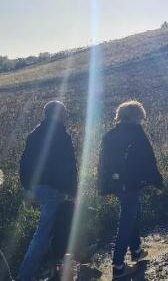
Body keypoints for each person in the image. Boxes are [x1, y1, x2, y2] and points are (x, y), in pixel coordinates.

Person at [98, 100, 164, 279]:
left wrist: (103, 189)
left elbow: (102, 164)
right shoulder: (136, 133)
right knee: (127, 222)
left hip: (118, 185)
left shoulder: (109, 135)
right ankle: (118, 266)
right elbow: (149, 159)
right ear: (136, 117)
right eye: (141, 117)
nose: (142, 121)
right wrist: (158, 183)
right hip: (131, 184)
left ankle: (136, 251)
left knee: (135, 213)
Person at [18, 101, 78, 281]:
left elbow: (24, 164)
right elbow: (69, 167)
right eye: (65, 113)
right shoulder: (61, 134)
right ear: (60, 114)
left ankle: (51, 272)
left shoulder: (34, 134)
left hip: (37, 188)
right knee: (44, 233)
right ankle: (25, 276)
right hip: (54, 189)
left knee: (52, 229)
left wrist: (29, 188)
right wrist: (73, 190)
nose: (66, 116)